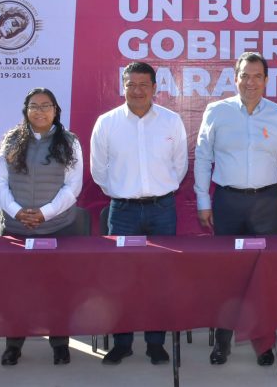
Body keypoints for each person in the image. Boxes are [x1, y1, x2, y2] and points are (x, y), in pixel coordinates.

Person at [194, 51, 277, 366]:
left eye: (257, 76)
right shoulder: (216, 111)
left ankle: (263, 345)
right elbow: (202, 157)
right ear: (235, 77)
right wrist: (203, 200)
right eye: (244, 75)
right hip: (227, 202)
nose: (250, 82)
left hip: (266, 204)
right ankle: (222, 343)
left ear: (266, 80)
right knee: (227, 275)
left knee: (264, 277)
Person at [90, 61, 188, 366]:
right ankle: (122, 343)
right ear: (123, 86)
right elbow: (99, 170)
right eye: (131, 84)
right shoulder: (107, 123)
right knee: (121, 279)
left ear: (155, 88)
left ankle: (155, 343)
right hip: (123, 212)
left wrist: (160, 189)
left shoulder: (171, 121)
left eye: (144, 84)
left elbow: (179, 165)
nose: (137, 90)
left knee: (160, 278)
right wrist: (122, 191)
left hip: (162, 209)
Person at [0, 88, 83, 366]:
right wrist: (18, 212)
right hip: (17, 230)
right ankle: (14, 345)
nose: (40, 111)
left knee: (58, 290)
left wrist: (44, 213)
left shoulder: (69, 142)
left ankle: (60, 344)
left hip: (57, 228)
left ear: (56, 110)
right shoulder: (10, 141)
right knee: (16, 291)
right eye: (34, 106)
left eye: (46, 106)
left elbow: (72, 187)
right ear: (25, 110)